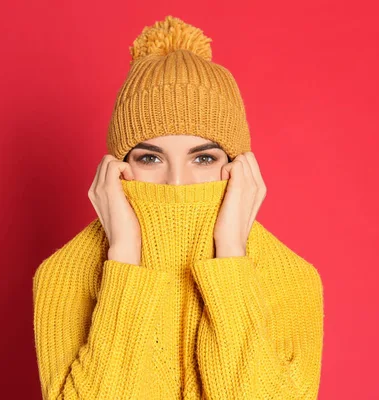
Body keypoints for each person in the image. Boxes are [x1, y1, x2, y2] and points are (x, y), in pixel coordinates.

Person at [32, 15, 324, 400]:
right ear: (118, 168)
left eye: (202, 159)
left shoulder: (291, 277)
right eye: (150, 159)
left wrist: (231, 261)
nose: (177, 182)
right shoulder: (65, 274)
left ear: (238, 167)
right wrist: (123, 259)